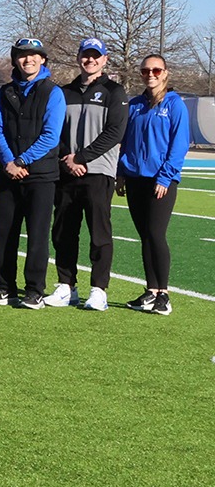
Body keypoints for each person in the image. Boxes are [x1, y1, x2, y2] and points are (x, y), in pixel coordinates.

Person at [50, 38, 128, 311]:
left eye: (96, 56)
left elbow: (115, 132)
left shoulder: (114, 91)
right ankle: (66, 286)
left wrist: (82, 158)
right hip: (66, 171)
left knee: (99, 232)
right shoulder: (64, 92)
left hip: (98, 171)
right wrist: (66, 159)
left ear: (105, 60)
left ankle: (99, 289)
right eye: (86, 55)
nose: (90, 60)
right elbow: (54, 130)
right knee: (63, 231)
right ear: (78, 57)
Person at [0, 37, 66, 308]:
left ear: (43, 59)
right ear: (15, 60)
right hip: (10, 172)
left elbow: (51, 135)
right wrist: (10, 161)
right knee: (3, 233)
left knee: (37, 235)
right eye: (22, 55)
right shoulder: (5, 91)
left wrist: (22, 161)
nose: (28, 60)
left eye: (34, 55)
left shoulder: (52, 92)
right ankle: (3, 287)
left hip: (41, 175)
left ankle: (34, 290)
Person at [119, 54, 188, 315]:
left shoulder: (175, 104)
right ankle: (151, 290)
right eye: (146, 71)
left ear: (165, 73)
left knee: (156, 235)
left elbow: (178, 145)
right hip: (135, 178)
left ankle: (164, 294)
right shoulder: (135, 104)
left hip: (160, 181)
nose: (151, 75)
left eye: (156, 70)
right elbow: (126, 141)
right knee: (145, 236)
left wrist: (165, 177)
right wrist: (121, 172)